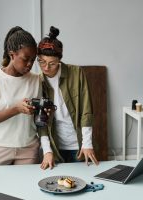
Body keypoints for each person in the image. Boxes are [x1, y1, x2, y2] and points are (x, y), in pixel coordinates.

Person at [37, 26, 99, 169]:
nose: (46, 67)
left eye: (52, 63)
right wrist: (47, 150)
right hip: (55, 147)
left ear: (59, 60)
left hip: (79, 144)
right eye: (41, 61)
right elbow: (40, 122)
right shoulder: (38, 81)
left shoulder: (76, 73)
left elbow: (86, 110)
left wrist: (87, 143)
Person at [0, 26, 41, 165]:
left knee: (26, 187)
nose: (30, 64)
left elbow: (37, 117)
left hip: (28, 148)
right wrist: (16, 109)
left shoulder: (36, 79)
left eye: (33, 60)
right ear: (12, 54)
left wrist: (45, 114)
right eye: (26, 59)